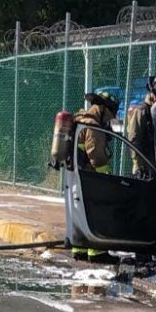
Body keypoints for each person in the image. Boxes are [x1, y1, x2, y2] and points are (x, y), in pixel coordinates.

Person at [71, 87, 119, 263]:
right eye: (111, 112)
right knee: (98, 212)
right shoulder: (93, 126)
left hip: (75, 176)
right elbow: (97, 157)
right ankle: (97, 253)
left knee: (79, 213)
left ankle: (79, 248)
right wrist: (108, 180)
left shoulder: (79, 120)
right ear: (104, 109)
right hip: (90, 178)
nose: (111, 117)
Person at [127, 73, 156, 177]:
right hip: (147, 168)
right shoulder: (142, 112)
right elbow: (135, 141)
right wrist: (138, 168)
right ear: (152, 94)